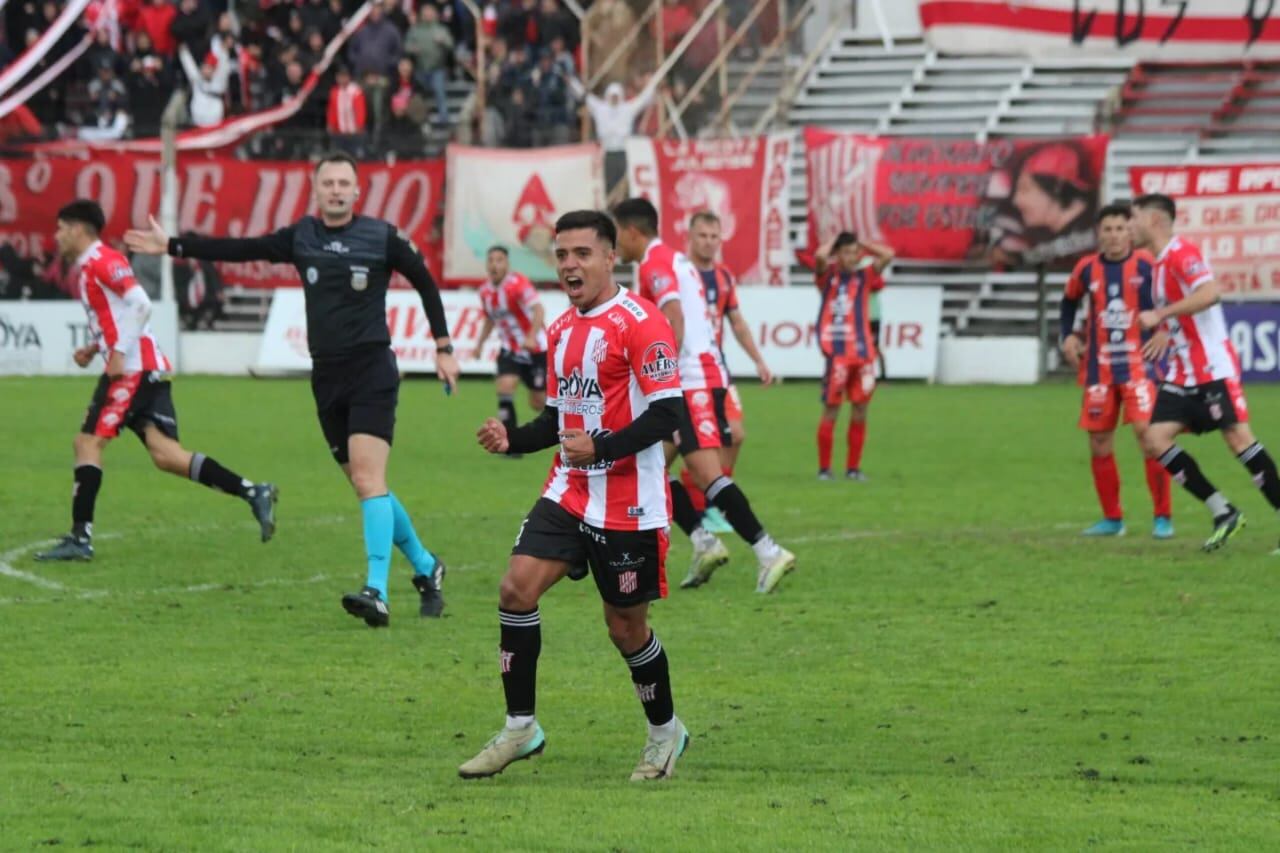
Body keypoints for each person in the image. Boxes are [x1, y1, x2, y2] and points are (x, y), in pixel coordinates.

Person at [125, 152, 461, 623]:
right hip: (325, 378)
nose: (338, 190)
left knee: (369, 481)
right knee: (370, 486)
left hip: (371, 372)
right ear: (317, 189)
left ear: (358, 192)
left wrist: (443, 346)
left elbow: (425, 282)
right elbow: (244, 248)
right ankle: (427, 567)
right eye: (330, 183)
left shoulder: (381, 237)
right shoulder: (302, 236)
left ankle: (377, 591)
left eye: (345, 183)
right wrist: (175, 246)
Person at [460, 209, 689, 781]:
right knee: (515, 589)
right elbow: (561, 418)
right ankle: (520, 728)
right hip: (569, 489)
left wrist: (604, 446)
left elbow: (669, 411)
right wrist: (512, 437)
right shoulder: (561, 330)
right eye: (561, 254)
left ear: (611, 257)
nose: (569, 265)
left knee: (625, 628)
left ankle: (666, 734)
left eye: (582, 253)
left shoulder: (642, 322)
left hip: (629, 502)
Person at [35, 201, 277, 562]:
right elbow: (120, 314)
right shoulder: (91, 266)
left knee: (87, 443)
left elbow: (140, 304)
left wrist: (116, 351)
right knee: (167, 456)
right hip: (143, 367)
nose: (57, 236)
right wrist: (95, 346)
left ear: (79, 229)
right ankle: (253, 491)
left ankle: (80, 538)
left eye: (61, 228)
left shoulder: (104, 260)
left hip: (132, 369)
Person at [613, 198, 796, 594]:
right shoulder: (676, 260)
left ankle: (768, 551)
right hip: (697, 377)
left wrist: (659, 379)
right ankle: (703, 542)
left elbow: (674, 319)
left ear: (631, 232)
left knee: (707, 475)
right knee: (649, 468)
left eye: (617, 236)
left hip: (689, 381)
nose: (616, 246)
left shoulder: (655, 263)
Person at [1133, 193, 1280, 552]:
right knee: (1154, 439)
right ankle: (1223, 511)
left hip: (1212, 366)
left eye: (1134, 218)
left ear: (1153, 220)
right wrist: (1168, 331)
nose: (1130, 226)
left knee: (1238, 440)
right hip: (1183, 371)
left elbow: (1210, 293)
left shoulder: (1182, 253)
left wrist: (1161, 317)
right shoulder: (1158, 265)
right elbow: (1183, 309)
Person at [1060, 202, 1172, 539]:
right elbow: (1068, 302)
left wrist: (1165, 329)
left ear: (1130, 232)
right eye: (1107, 229)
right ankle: (1112, 519)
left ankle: (1162, 516)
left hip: (1139, 367)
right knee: (1098, 442)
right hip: (1098, 369)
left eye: (1120, 228)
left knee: (1148, 438)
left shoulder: (1147, 265)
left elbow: (1169, 300)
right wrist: (1067, 336)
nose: (1114, 235)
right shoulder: (1085, 269)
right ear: (1099, 233)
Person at [680, 210, 774, 534]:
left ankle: (710, 505)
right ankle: (695, 511)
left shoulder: (723, 277)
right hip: (686, 374)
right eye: (702, 235)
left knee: (735, 434)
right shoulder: (678, 274)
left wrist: (758, 360)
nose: (708, 242)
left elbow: (736, 322)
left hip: (716, 371)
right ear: (689, 237)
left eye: (714, 236)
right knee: (687, 449)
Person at [813, 231, 894, 481]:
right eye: (846, 253)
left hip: (863, 355)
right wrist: (834, 242)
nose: (851, 257)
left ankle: (853, 468)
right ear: (837, 255)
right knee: (832, 410)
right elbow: (819, 256)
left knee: (860, 410)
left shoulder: (865, 276)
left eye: (854, 253)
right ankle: (825, 469)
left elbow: (888, 254)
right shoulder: (827, 278)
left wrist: (864, 244)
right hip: (838, 355)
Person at [474, 245, 547, 434]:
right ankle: (510, 441)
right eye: (490, 260)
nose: (494, 265)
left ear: (507, 264)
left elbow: (538, 309)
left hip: (536, 349)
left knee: (538, 403)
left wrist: (531, 336)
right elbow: (490, 319)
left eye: (499, 260)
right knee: (505, 387)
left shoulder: (518, 284)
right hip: (510, 349)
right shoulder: (484, 292)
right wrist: (479, 345)